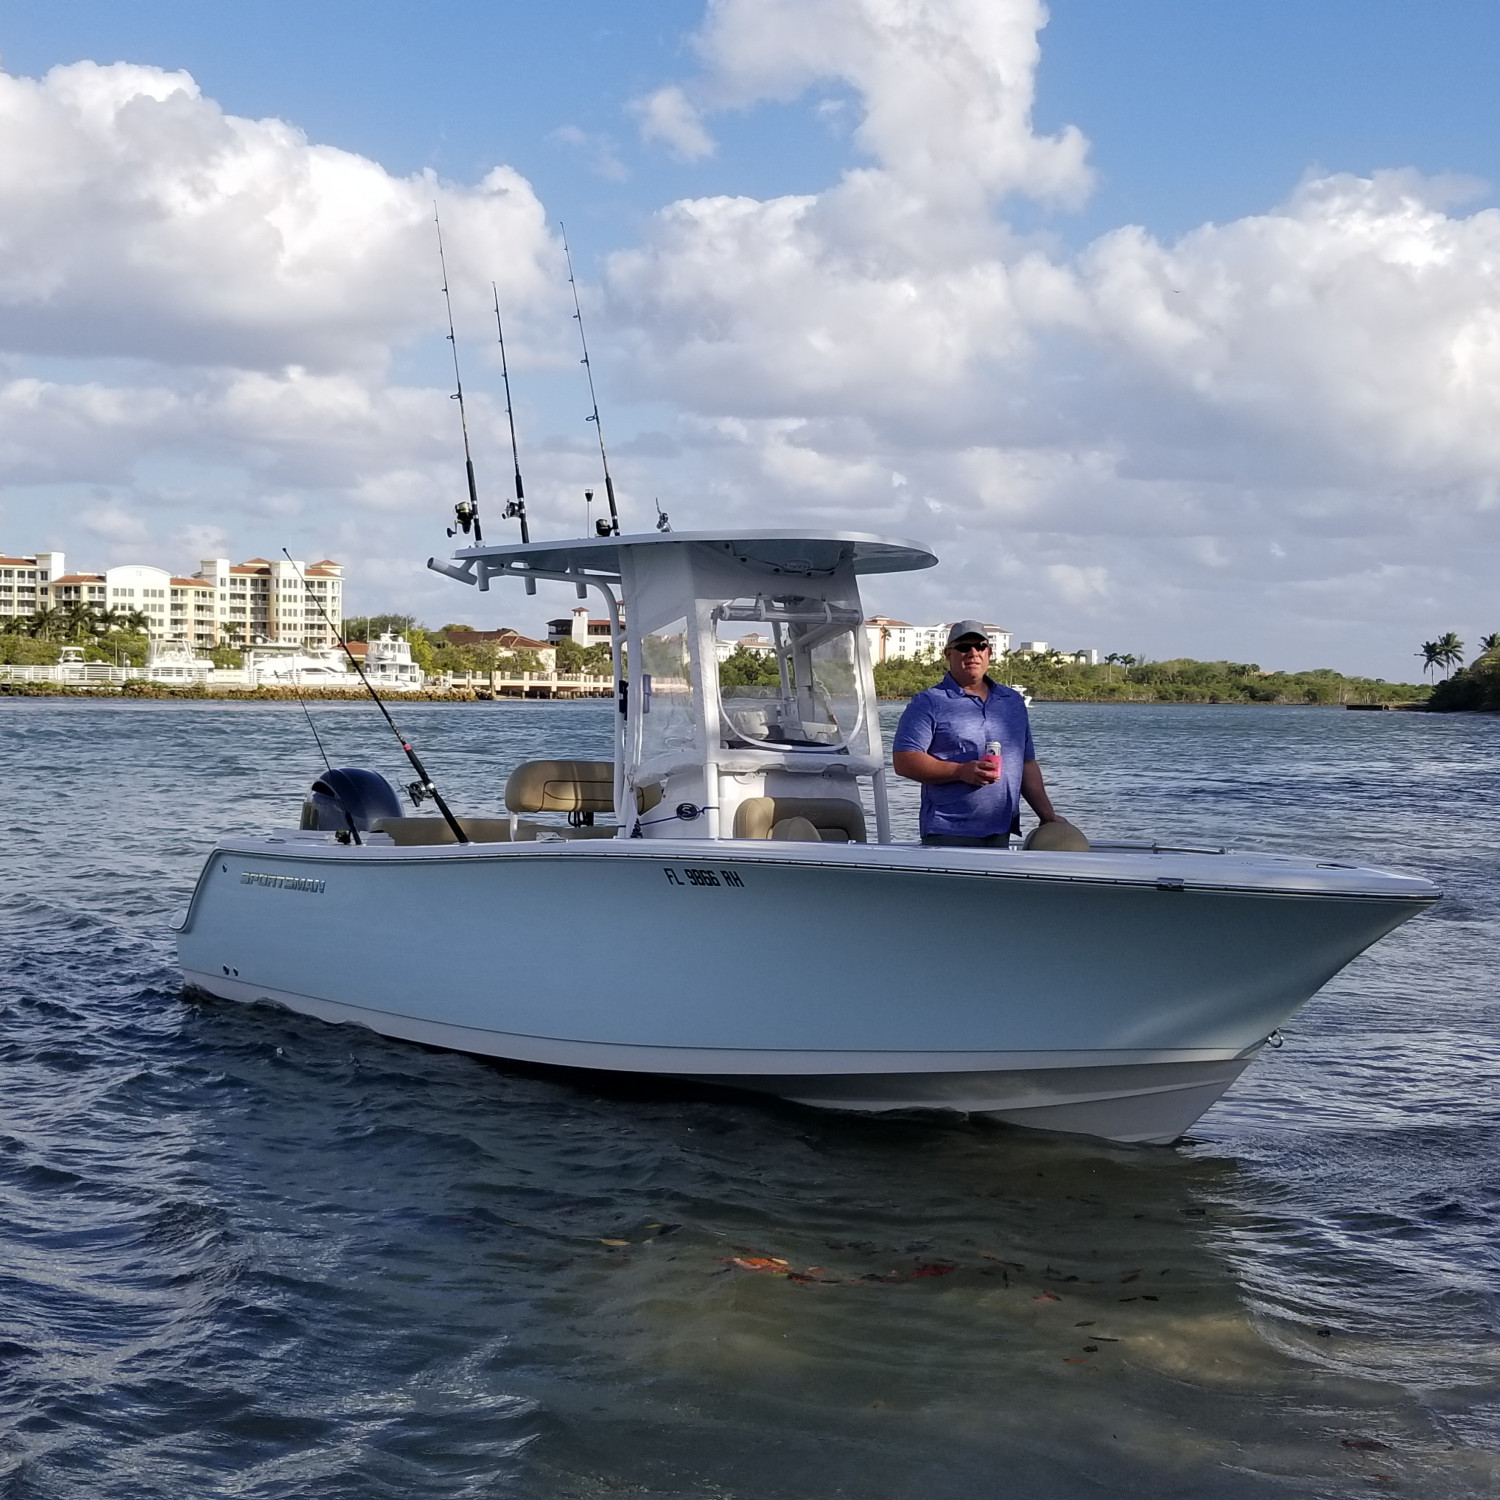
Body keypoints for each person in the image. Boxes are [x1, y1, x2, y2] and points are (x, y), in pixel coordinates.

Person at [891, 621, 1063, 847]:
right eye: (964, 647)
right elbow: (904, 761)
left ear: (989, 653)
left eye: (980, 646)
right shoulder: (928, 702)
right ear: (948, 654)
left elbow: (1026, 763)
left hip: (1000, 832)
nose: (973, 653)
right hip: (948, 833)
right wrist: (960, 771)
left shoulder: (1012, 702)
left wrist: (1048, 816)